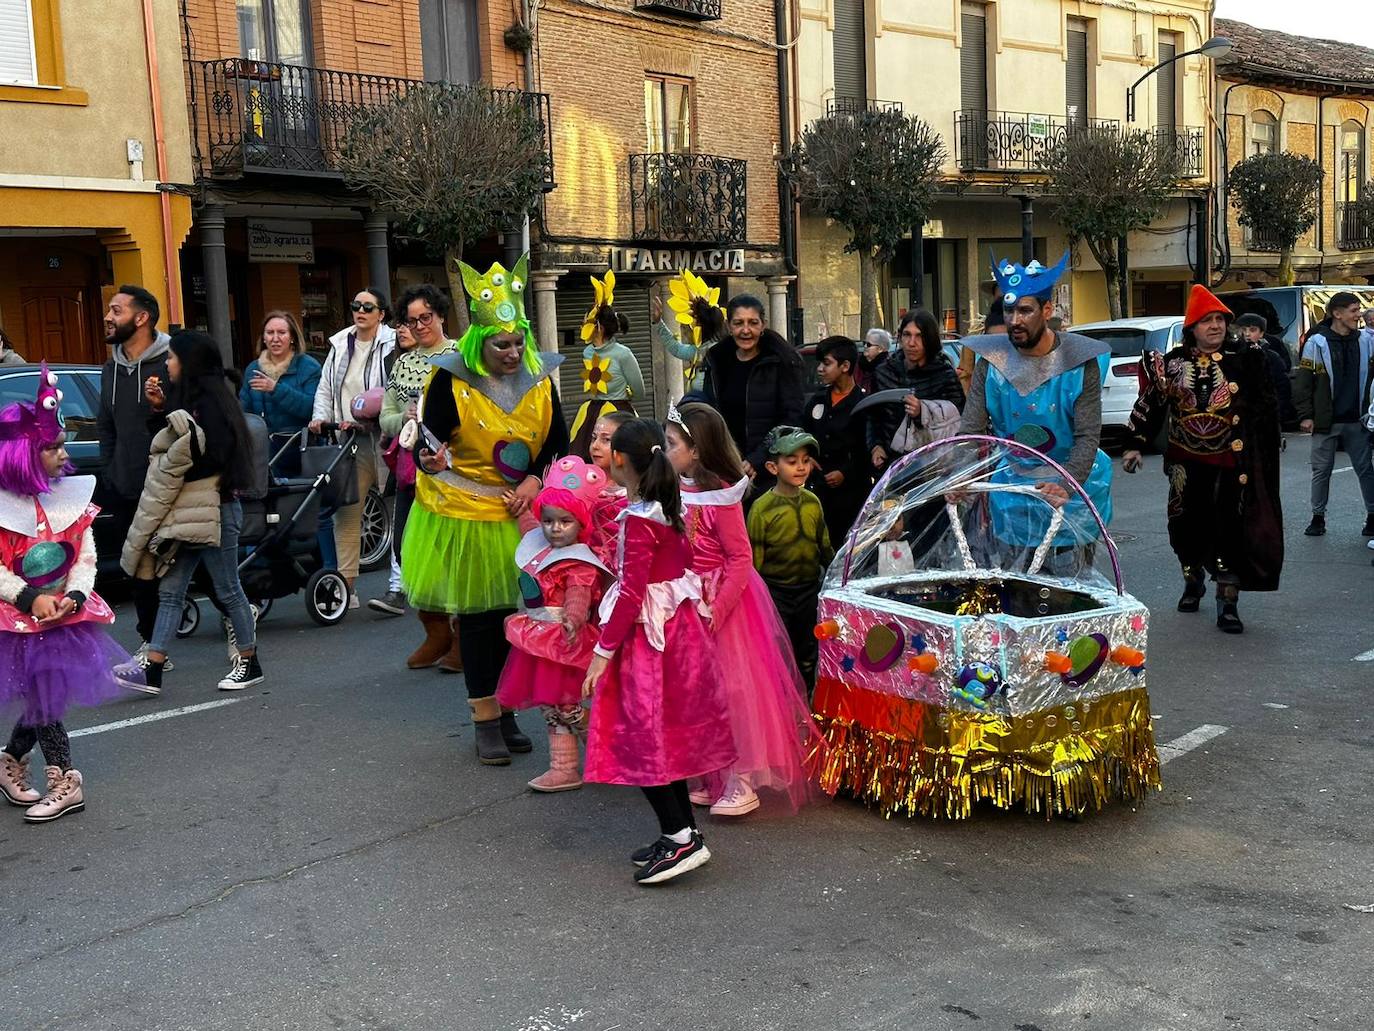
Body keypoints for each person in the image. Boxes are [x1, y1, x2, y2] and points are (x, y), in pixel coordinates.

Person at [405, 254, 567, 765]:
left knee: (518, 621)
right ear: (481, 342)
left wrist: (536, 480)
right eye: (502, 344)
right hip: (465, 512)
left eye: (519, 342)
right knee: (479, 621)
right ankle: (484, 719)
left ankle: (509, 710)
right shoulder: (450, 382)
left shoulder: (540, 380)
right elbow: (424, 445)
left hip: (521, 516)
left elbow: (557, 445)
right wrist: (427, 459)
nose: (513, 352)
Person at [578, 419, 735, 886]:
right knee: (663, 735)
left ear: (621, 460)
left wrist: (603, 652)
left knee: (641, 737)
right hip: (676, 633)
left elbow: (630, 593)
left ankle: (681, 836)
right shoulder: (664, 506)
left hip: (651, 640)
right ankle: (681, 832)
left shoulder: (641, 518)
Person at [664, 401, 818, 817]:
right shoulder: (675, 486)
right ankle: (712, 771)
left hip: (726, 603)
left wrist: (719, 607)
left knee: (735, 690)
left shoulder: (722, 494)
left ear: (696, 449)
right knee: (697, 691)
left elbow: (739, 558)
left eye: (672, 442)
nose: (665, 448)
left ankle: (742, 778)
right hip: (687, 596)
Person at [0, 368, 132, 822]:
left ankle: (30, 765)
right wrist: (27, 597)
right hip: (17, 618)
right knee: (44, 694)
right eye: (52, 447)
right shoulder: (3, 509)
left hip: (62, 615)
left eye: (61, 445)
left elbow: (84, 557)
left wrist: (75, 594)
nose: (62, 453)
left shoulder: (70, 502)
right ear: (24, 456)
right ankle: (62, 777)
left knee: (45, 695)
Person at [1123, 286, 1283, 633]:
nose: (1215, 327)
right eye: (1206, 321)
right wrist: (1136, 443)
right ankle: (1192, 577)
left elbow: (1265, 406)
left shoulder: (1246, 360)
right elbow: (1152, 404)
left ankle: (1228, 602)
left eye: (1220, 320)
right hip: (1185, 462)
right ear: (1191, 327)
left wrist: (1268, 444)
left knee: (1230, 530)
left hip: (1232, 463)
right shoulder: (1174, 362)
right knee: (1185, 529)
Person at [121, 331, 263, 692]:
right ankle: (153, 666)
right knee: (170, 592)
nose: (167, 363)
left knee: (228, 588)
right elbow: (180, 441)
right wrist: (159, 409)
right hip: (188, 513)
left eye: (171, 357)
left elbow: (205, 455)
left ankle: (249, 661)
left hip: (215, 511)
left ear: (190, 362)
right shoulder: (192, 399)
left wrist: (172, 469)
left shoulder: (213, 403)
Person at [959, 254, 1113, 563]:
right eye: (1009, 310)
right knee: (1016, 591)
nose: (1014, 320)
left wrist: (1066, 486)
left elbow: (1087, 436)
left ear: (1046, 310)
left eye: (1025, 310)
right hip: (1014, 492)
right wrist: (957, 478)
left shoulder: (1079, 361)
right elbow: (971, 432)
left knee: (1069, 590)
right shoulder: (991, 361)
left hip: (1070, 490)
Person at [495, 456, 612, 793]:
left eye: (565, 522)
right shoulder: (541, 544)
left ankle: (603, 750)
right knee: (550, 708)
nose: (554, 528)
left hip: (563, 642)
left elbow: (579, 593)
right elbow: (529, 528)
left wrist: (575, 619)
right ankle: (563, 768)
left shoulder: (578, 561)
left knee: (568, 705)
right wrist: (521, 511)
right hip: (536, 642)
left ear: (581, 524)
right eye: (549, 521)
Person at [95, 285, 171, 667]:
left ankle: (235, 623)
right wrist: (111, 470)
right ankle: (152, 643)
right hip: (125, 485)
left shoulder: (171, 362)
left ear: (141, 318)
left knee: (187, 561)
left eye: (116, 310)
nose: (108, 317)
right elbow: (105, 425)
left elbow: (187, 421)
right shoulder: (110, 368)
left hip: (169, 487)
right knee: (137, 564)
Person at [310, 287, 396, 607]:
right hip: (350, 441)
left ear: (381, 314)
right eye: (355, 305)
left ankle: (400, 586)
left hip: (387, 439)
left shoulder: (392, 342)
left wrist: (377, 416)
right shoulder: (340, 343)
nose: (360, 311)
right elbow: (326, 388)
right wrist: (321, 418)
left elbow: (395, 387)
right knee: (347, 511)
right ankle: (346, 588)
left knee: (403, 512)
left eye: (368, 307)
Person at [372, 300, 453, 621]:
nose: (419, 326)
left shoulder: (462, 354)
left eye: (426, 318)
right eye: (412, 320)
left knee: (450, 542)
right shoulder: (403, 364)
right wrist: (403, 418)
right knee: (406, 542)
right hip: (412, 463)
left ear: (441, 316)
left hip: (455, 464)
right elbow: (385, 417)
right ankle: (429, 619)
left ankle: (453, 626)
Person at [747, 426, 834, 690]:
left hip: (809, 590)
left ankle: (808, 703)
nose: (801, 468)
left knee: (809, 651)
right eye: (792, 461)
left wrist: (835, 577)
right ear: (773, 468)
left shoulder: (813, 502)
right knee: (778, 653)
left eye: (806, 461)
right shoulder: (761, 509)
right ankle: (781, 705)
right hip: (776, 594)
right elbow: (754, 561)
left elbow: (825, 546)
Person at [700, 295, 806, 489]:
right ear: (729, 326)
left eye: (753, 323)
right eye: (739, 323)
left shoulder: (782, 362)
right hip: (725, 468)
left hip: (768, 471)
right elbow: (708, 411)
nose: (746, 330)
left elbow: (791, 418)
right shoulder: (717, 362)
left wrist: (758, 458)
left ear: (763, 325)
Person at [1293, 291, 1374, 539]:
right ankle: (1318, 518)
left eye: (1359, 309)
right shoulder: (1317, 342)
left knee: (1365, 469)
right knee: (1321, 470)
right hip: (1326, 420)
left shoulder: (1366, 341)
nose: (1358, 315)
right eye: (1353, 310)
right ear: (1337, 314)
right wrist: (1306, 415)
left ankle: (1372, 516)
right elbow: (1304, 382)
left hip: (1357, 419)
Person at [867, 308, 965, 471]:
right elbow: (873, 416)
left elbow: (958, 419)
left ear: (930, 339)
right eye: (907, 335)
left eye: (919, 336)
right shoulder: (883, 372)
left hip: (933, 468)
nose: (912, 343)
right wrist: (876, 446)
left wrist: (924, 412)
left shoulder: (944, 374)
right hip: (892, 467)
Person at [801, 336, 870, 544]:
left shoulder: (863, 403)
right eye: (820, 363)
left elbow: (867, 448)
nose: (820, 369)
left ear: (845, 366)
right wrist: (806, 458)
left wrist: (845, 473)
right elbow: (804, 433)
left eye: (827, 363)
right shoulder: (818, 399)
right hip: (819, 490)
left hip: (851, 496)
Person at [569, 269, 645, 457]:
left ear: (599, 327)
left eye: (586, 321)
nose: (582, 325)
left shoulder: (623, 354)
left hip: (618, 413)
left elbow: (640, 392)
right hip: (590, 411)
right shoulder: (587, 352)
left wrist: (623, 394)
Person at [239, 311, 322, 437]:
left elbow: (312, 409)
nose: (275, 338)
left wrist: (275, 389)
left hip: (300, 444)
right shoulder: (253, 369)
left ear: (292, 337)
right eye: (270, 333)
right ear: (264, 338)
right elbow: (244, 412)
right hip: (263, 447)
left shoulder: (309, 367)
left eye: (282, 333)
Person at [653, 269, 726, 395]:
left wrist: (659, 323)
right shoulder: (700, 351)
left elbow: (676, 348)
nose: (691, 325)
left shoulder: (721, 353)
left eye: (695, 321)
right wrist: (659, 323)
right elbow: (676, 349)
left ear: (700, 324)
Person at [586, 411, 632, 566]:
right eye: (593, 438)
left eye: (606, 440)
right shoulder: (580, 484)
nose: (595, 446)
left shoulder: (636, 491)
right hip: (588, 571)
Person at [1234, 312, 1295, 428]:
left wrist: (1276, 414)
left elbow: (1283, 388)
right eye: (1243, 329)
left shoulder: (1271, 357)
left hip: (1264, 418)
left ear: (1261, 333)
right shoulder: (1231, 355)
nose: (1247, 334)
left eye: (1252, 330)